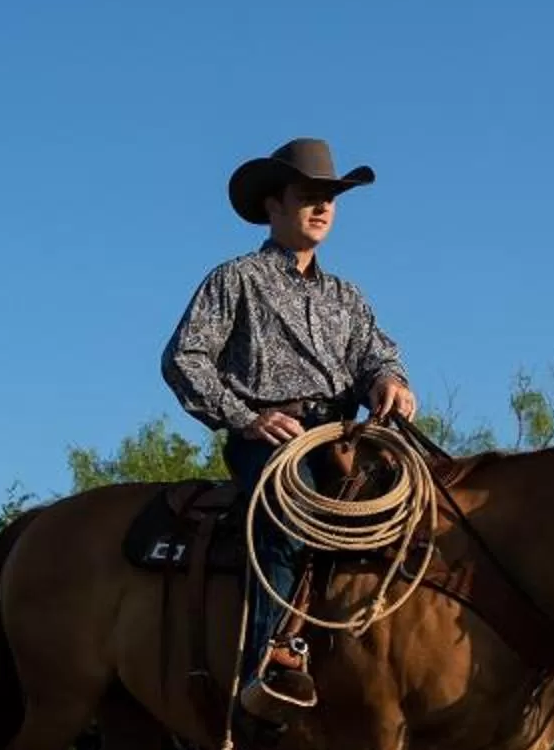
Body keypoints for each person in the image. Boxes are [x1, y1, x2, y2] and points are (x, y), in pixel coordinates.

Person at [160, 137, 418, 719]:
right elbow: (185, 358)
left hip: (345, 439)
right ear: (274, 206)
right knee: (283, 523)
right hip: (274, 441)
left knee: (414, 516)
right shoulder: (236, 280)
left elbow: (378, 355)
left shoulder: (346, 297)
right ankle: (265, 665)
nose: (323, 208)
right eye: (309, 196)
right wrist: (246, 418)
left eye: (330, 198)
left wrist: (389, 382)